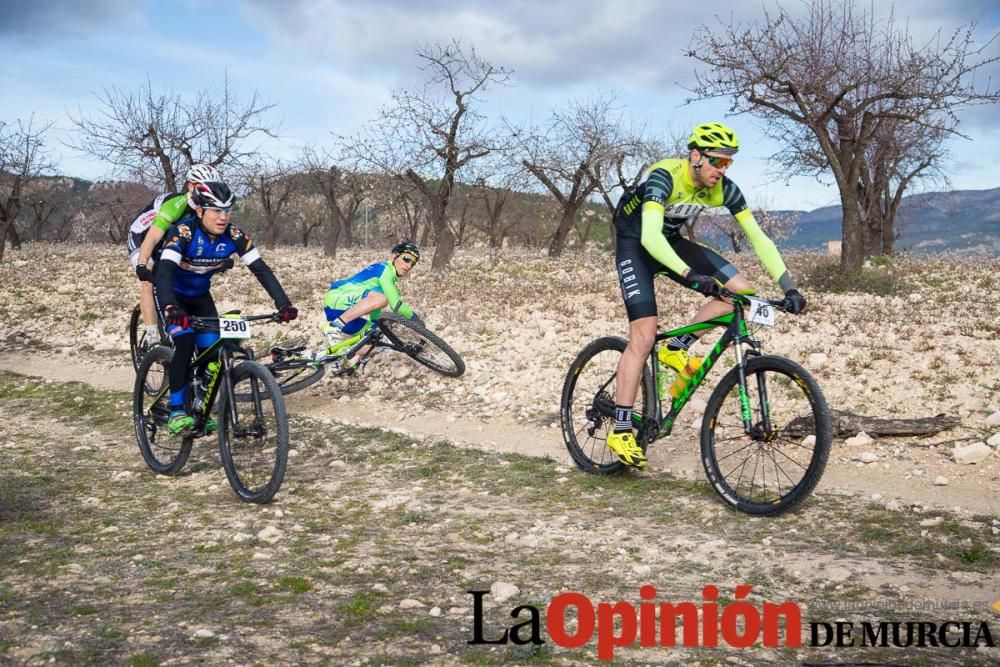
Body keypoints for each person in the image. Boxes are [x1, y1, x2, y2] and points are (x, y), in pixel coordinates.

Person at [606, 122, 806, 468]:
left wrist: (788, 285)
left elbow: (758, 238)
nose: (722, 170)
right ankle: (621, 427)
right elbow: (651, 238)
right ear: (695, 156)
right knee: (643, 335)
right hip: (635, 244)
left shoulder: (723, 190)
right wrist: (690, 276)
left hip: (670, 243)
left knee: (741, 291)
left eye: (728, 163)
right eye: (717, 161)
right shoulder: (664, 176)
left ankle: (677, 347)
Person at [153, 180, 298, 435]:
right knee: (185, 342)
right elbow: (164, 272)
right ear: (200, 211)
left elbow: (261, 270)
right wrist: (169, 307)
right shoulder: (183, 232)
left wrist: (283, 303)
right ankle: (176, 410)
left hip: (200, 297)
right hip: (172, 296)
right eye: (216, 211)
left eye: (227, 211)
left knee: (215, 349)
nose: (223, 217)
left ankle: (199, 407)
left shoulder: (234, 236)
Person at [127, 164, 226, 344]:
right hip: (143, 234)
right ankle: (153, 339)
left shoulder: (208, 209)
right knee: (149, 281)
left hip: (169, 237)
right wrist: (142, 265)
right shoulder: (177, 204)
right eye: (203, 187)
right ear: (190, 186)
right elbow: (152, 238)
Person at [320, 240, 421, 366]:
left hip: (343, 312)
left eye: (413, 263)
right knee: (383, 299)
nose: (409, 265)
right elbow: (396, 305)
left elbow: (374, 308)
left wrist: (376, 327)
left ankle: (333, 357)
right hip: (336, 297)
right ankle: (334, 326)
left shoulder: (387, 280)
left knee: (382, 341)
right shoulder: (384, 270)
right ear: (393, 256)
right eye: (406, 259)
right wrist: (415, 320)